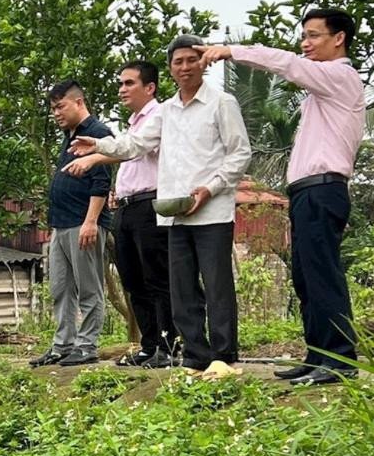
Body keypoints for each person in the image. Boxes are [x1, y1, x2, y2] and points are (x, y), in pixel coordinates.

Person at [67, 36, 251, 370]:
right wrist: (97, 143)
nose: (184, 67)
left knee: (217, 285)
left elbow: (240, 153)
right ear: (170, 69)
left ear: (204, 62)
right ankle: (196, 356)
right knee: (180, 290)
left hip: (211, 210)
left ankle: (224, 357)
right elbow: (134, 145)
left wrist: (210, 189)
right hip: (173, 213)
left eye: (191, 60)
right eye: (177, 62)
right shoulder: (166, 111)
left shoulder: (221, 103)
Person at [200, 9, 363, 386]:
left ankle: (340, 359)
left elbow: (286, 64)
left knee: (322, 273)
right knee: (306, 277)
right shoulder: (320, 93)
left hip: (324, 188)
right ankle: (318, 354)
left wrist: (230, 50)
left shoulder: (340, 76)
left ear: (339, 38)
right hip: (308, 191)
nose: (305, 44)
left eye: (314, 35)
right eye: (303, 36)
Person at [30, 80, 114, 367]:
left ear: (78, 102)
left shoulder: (98, 134)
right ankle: (62, 345)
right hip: (61, 225)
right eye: (52, 108)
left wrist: (91, 221)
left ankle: (87, 345)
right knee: (61, 290)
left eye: (60, 106)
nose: (55, 113)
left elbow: (101, 182)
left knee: (89, 288)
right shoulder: (70, 136)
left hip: (84, 223)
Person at [106, 61, 176, 367]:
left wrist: (97, 151)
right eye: (121, 83)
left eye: (129, 83)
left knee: (157, 277)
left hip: (150, 206)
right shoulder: (133, 122)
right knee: (133, 281)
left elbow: (135, 148)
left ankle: (168, 344)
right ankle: (149, 345)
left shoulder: (159, 116)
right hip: (125, 207)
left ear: (150, 88)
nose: (122, 89)